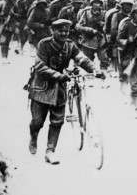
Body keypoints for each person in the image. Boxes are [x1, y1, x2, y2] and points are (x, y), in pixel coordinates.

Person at [27, 19, 105, 165]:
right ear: (53, 31)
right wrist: (59, 75)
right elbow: (40, 66)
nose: (64, 33)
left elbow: (81, 59)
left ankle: (50, 151)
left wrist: (95, 70)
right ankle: (33, 136)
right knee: (37, 121)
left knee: (57, 121)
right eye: (60, 30)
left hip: (59, 89)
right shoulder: (44, 44)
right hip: (41, 87)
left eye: (66, 31)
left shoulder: (70, 45)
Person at [117, 2, 137, 114]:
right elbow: (119, 39)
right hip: (131, 56)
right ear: (133, 14)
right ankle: (135, 103)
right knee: (134, 83)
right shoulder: (127, 25)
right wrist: (127, 41)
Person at [75, 0, 109, 71]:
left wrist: (103, 25)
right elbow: (78, 26)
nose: (98, 5)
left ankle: (104, 75)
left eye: (99, 3)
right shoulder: (86, 13)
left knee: (104, 59)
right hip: (88, 40)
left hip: (100, 40)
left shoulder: (104, 14)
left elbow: (108, 27)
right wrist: (90, 30)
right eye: (95, 3)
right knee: (87, 61)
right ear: (91, 4)